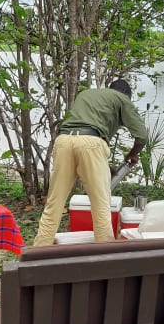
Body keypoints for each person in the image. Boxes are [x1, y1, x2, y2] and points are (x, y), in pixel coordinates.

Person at [33, 79, 148, 246]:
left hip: (63, 140)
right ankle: (105, 259)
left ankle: (39, 252)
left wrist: (106, 166)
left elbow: (81, 141)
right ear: (125, 94)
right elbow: (142, 137)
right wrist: (131, 155)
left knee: (54, 202)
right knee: (101, 205)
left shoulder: (86, 94)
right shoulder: (122, 99)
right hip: (92, 144)